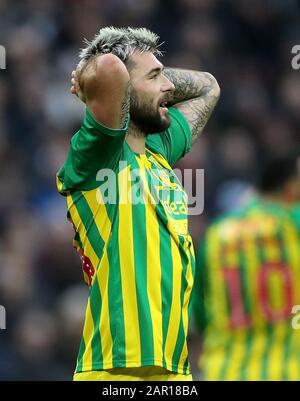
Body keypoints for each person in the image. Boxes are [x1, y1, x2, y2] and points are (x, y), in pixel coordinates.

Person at [56, 27, 220, 381]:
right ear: (125, 90)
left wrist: (143, 78)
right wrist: (95, 76)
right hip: (115, 370)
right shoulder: (98, 156)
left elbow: (208, 86)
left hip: (174, 371)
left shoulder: (157, 151)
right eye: (155, 76)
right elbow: (109, 70)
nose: (170, 86)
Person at [193, 151, 300, 381]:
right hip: (288, 370)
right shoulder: (293, 224)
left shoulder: (216, 234)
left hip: (224, 371)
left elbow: (200, 312)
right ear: (293, 187)